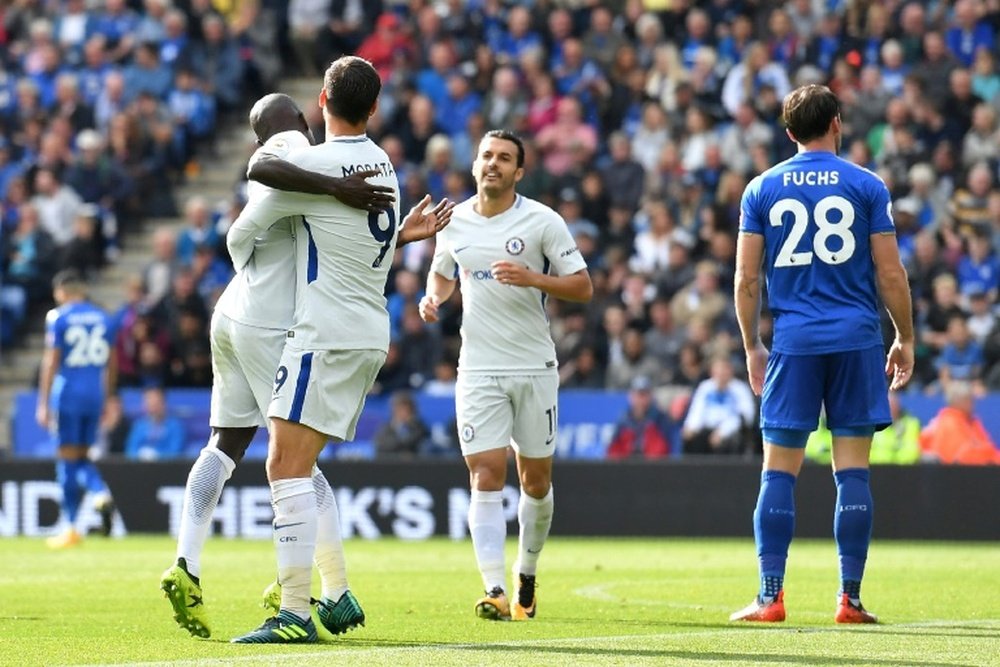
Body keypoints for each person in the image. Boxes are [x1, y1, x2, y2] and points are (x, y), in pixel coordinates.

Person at [160, 87, 449, 641]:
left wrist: (249, 263)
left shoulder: (306, 163)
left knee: (230, 444)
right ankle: (330, 593)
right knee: (297, 465)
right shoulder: (357, 161)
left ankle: (187, 563)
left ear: (323, 101)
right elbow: (262, 199)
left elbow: (240, 232)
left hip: (234, 315)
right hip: (280, 325)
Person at [732, 84, 915, 625]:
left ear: (789, 133)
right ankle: (850, 599)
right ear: (837, 122)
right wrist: (904, 335)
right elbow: (889, 272)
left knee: (778, 472)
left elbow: (745, 279)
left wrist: (751, 345)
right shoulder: (866, 185)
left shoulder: (761, 188)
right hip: (857, 338)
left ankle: (770, 597)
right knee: (853, 472)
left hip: (794, 341)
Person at [419, 129, 593, 621]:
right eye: (486, 156)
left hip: (534, 367)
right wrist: (434, 297)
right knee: (485, 475)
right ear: (474, 165)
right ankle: (494, 588)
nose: (493, 164)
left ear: (519, 171)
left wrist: (532, 277)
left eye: (504, 159)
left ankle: (527, 572)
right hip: (478, 368)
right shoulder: (452, 222)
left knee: (534, 483)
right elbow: (443, 270)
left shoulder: (542, 221)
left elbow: (583, 287)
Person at [36, 269, 117, 548]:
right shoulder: (104, 318)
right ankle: (99, 492)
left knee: (67, 460)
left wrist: (43, 402)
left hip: (68, 393)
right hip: (94, 393)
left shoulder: (58, 317)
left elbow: (51, 360)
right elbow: (111, 362)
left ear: (63, 292)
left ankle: (70, 526)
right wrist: (108, 398)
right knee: (82, 456)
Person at [681, 355, 757, 455]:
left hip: (730, 433)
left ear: (730, 371)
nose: (721, 374)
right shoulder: (705, 387)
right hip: (707, 430)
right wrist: (691, 427)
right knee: (690, 439)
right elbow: (697, 410)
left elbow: (746, 417)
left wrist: (722, 432)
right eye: (718, 370)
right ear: (712, 372)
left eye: (724, 370)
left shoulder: (740, 389)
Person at [919, 380, 1000, 465]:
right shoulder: (949, 423)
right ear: (958, 400)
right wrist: (990, 455)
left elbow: (987, 446)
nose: (973, 403)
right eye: (969, 399)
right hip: (955, 475)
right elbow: (961, 456)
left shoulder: (971, 421)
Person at [606, 376, 674, 459]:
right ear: (631, 396)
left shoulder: (660, 420)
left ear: (651, 397)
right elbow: (613, 451)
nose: (642, 400)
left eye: (645, 395)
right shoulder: (623, 420)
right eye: (639, 395)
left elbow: (666, 450)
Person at [123, 386, 185, 460]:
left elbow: (175, 452)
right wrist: (142, 455)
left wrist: (156, 456)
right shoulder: (139, 426)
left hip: (165, 468)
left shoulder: (175, 426)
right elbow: (130, 450)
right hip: (140, 467)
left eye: (156, 402)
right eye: (149, 402)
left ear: (163, 403)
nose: (152, 405)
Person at [373, 390, 432, 458]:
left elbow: (417, 440)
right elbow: (382, 444)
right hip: (391, 461)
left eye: (406, 410)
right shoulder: (387, 427)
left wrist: (409, 425)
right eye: (399, 410)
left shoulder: (418, 426)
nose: (402, 413)